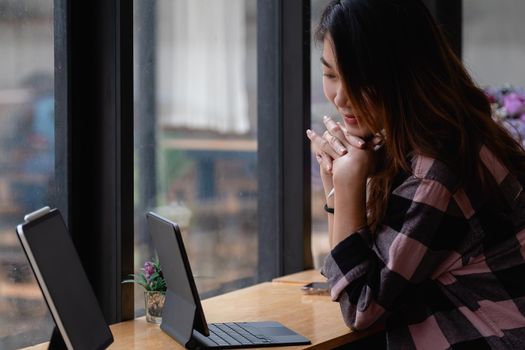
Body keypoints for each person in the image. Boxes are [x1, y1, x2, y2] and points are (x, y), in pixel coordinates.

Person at [306, 0, 525, 349]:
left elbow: (361, 307)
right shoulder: (435, 139)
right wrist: (338, 186)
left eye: (361, 78)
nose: (342, 98)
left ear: (404, 73)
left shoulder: (436, 171)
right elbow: (354, 284)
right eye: (331, 75)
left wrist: (346, 184)